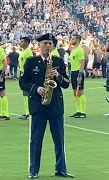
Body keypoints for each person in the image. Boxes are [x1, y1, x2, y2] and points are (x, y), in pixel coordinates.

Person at [19, 33, 74, 179]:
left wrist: (58, 76)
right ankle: (33, 170)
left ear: (53, 46)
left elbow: (67, 83)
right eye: (45, 43)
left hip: (55, 105)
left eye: (50, 43)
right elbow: (23, 82)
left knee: (59, 139)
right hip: (38, 105)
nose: (47, 46)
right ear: (39, 45)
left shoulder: (58, 61)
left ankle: (61, 168)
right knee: (36, 139)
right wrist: (36, 88)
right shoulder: (31, 62)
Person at [68, 34, 86, 118]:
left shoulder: (80, 50)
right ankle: (78, 110)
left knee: (80, 91)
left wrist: (80, 74)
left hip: (78, 72)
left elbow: (82, 62)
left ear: (78, 40)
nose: (71, 40)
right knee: (75, 92)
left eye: (73, 39)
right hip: (73, 72)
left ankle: (83, 112)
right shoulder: (73, 49)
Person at [18, 37, 33, 120]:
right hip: (22, 73)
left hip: (27, 74)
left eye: (22, 41)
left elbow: (30, 64)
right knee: (24, 93)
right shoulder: (23, 51)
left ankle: (29, 112)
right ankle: (27, 112)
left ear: (27, 42)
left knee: (27, 93)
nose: (20, 43)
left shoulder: (28, 52)